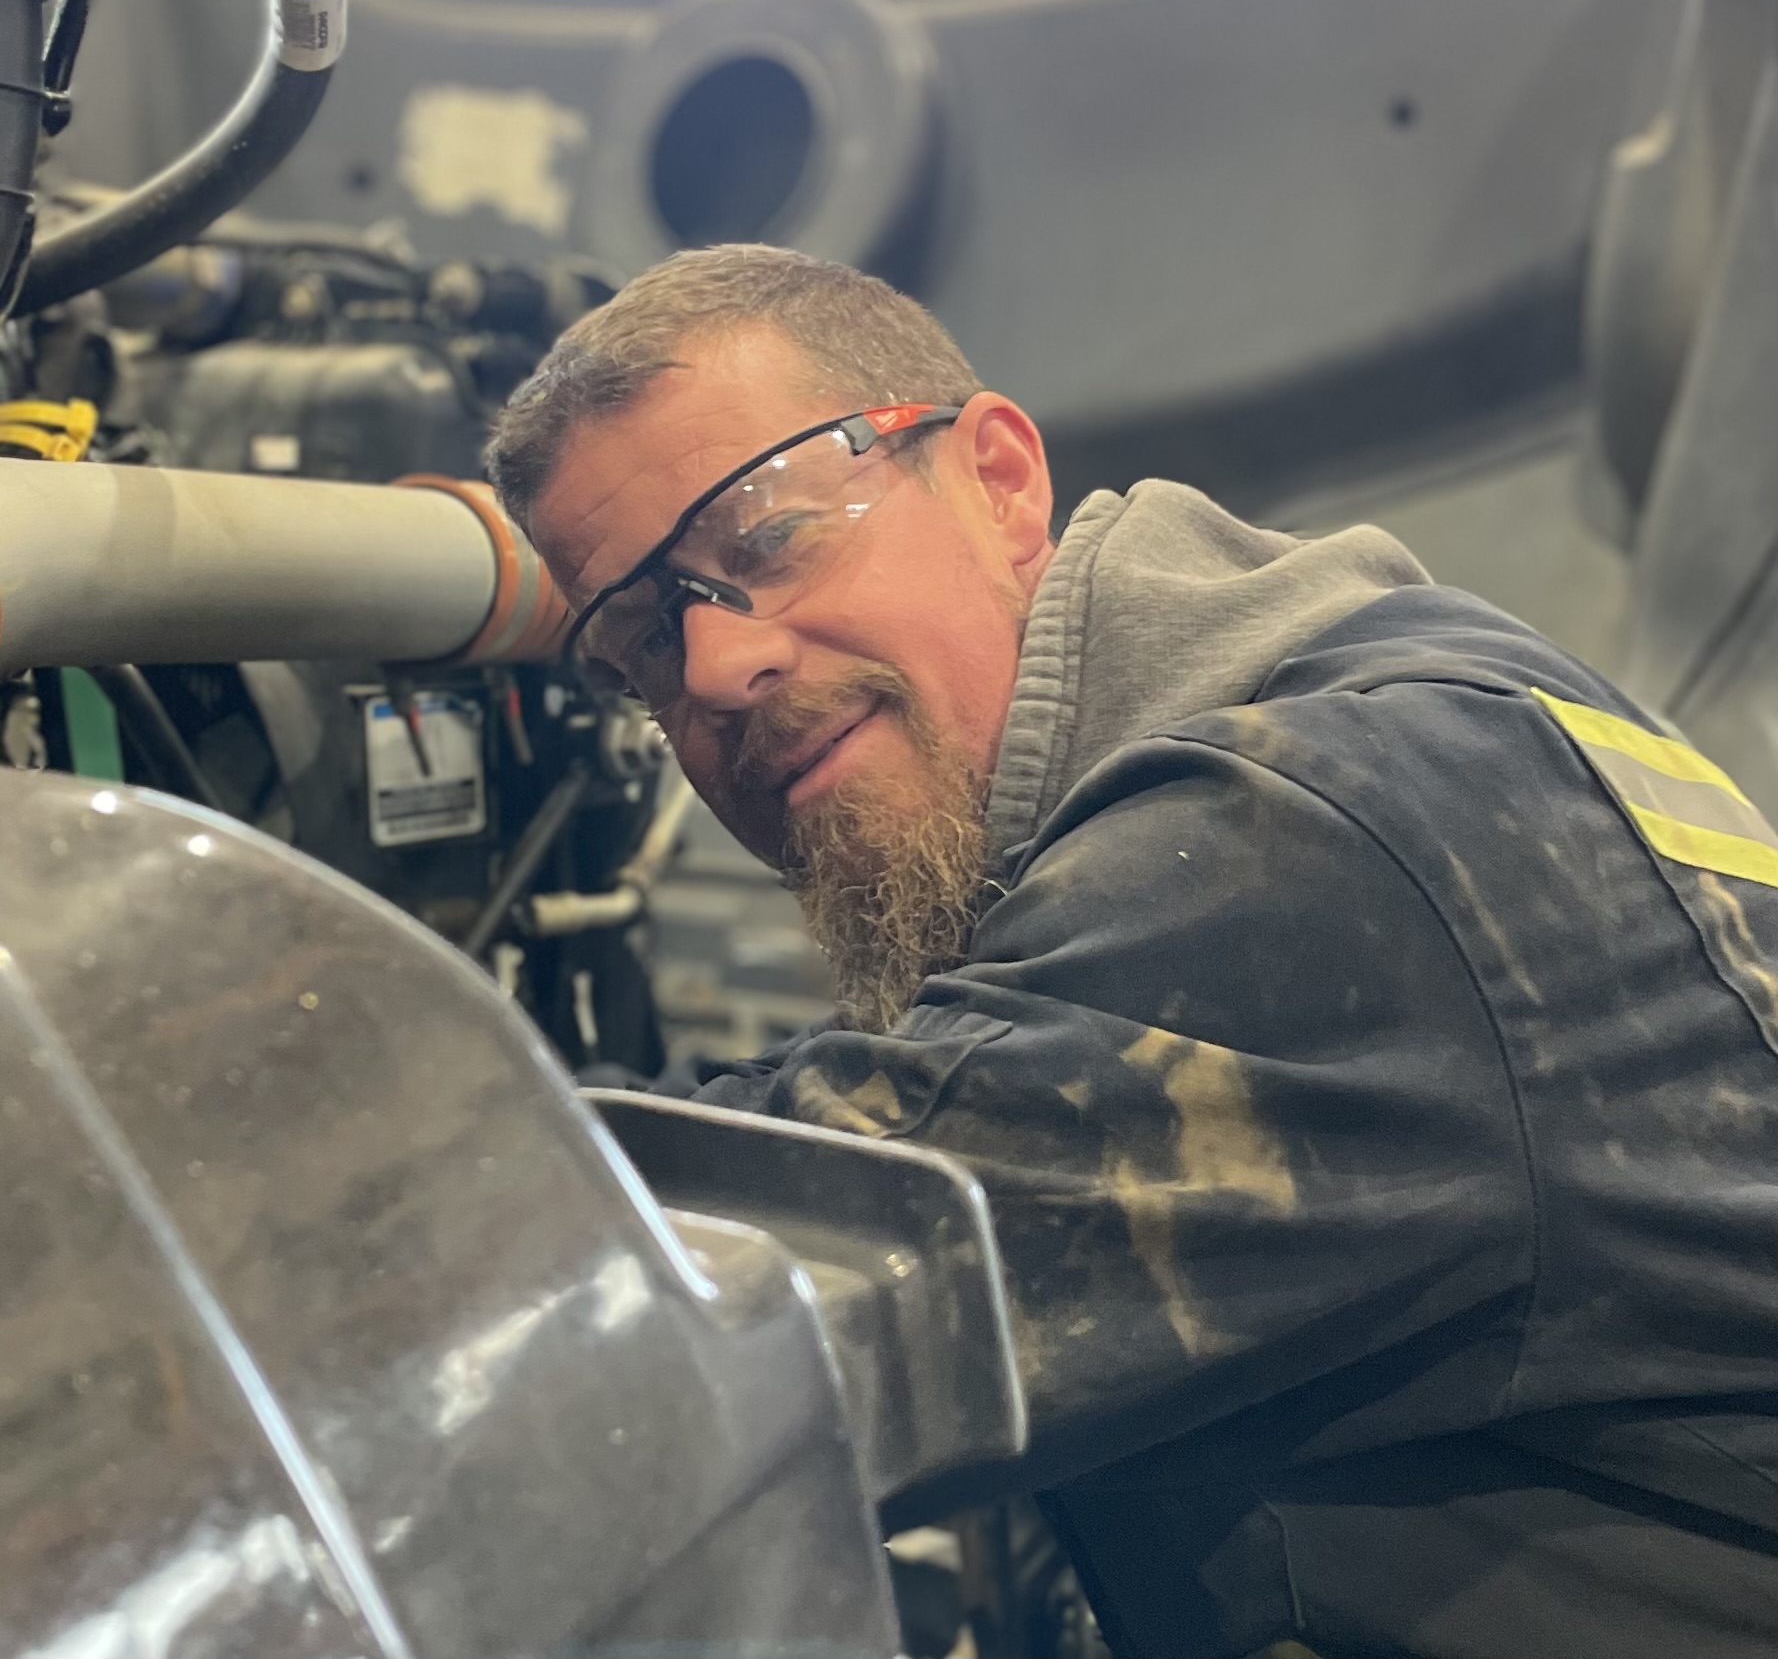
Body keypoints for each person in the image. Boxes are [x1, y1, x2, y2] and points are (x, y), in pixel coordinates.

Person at [488, 243, 1778, 1659]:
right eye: (643, 647)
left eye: (764, 537)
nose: (718, 673)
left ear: (994, 476)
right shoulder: (1403, 709)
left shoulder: (1329, 828)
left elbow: (732, 1304)